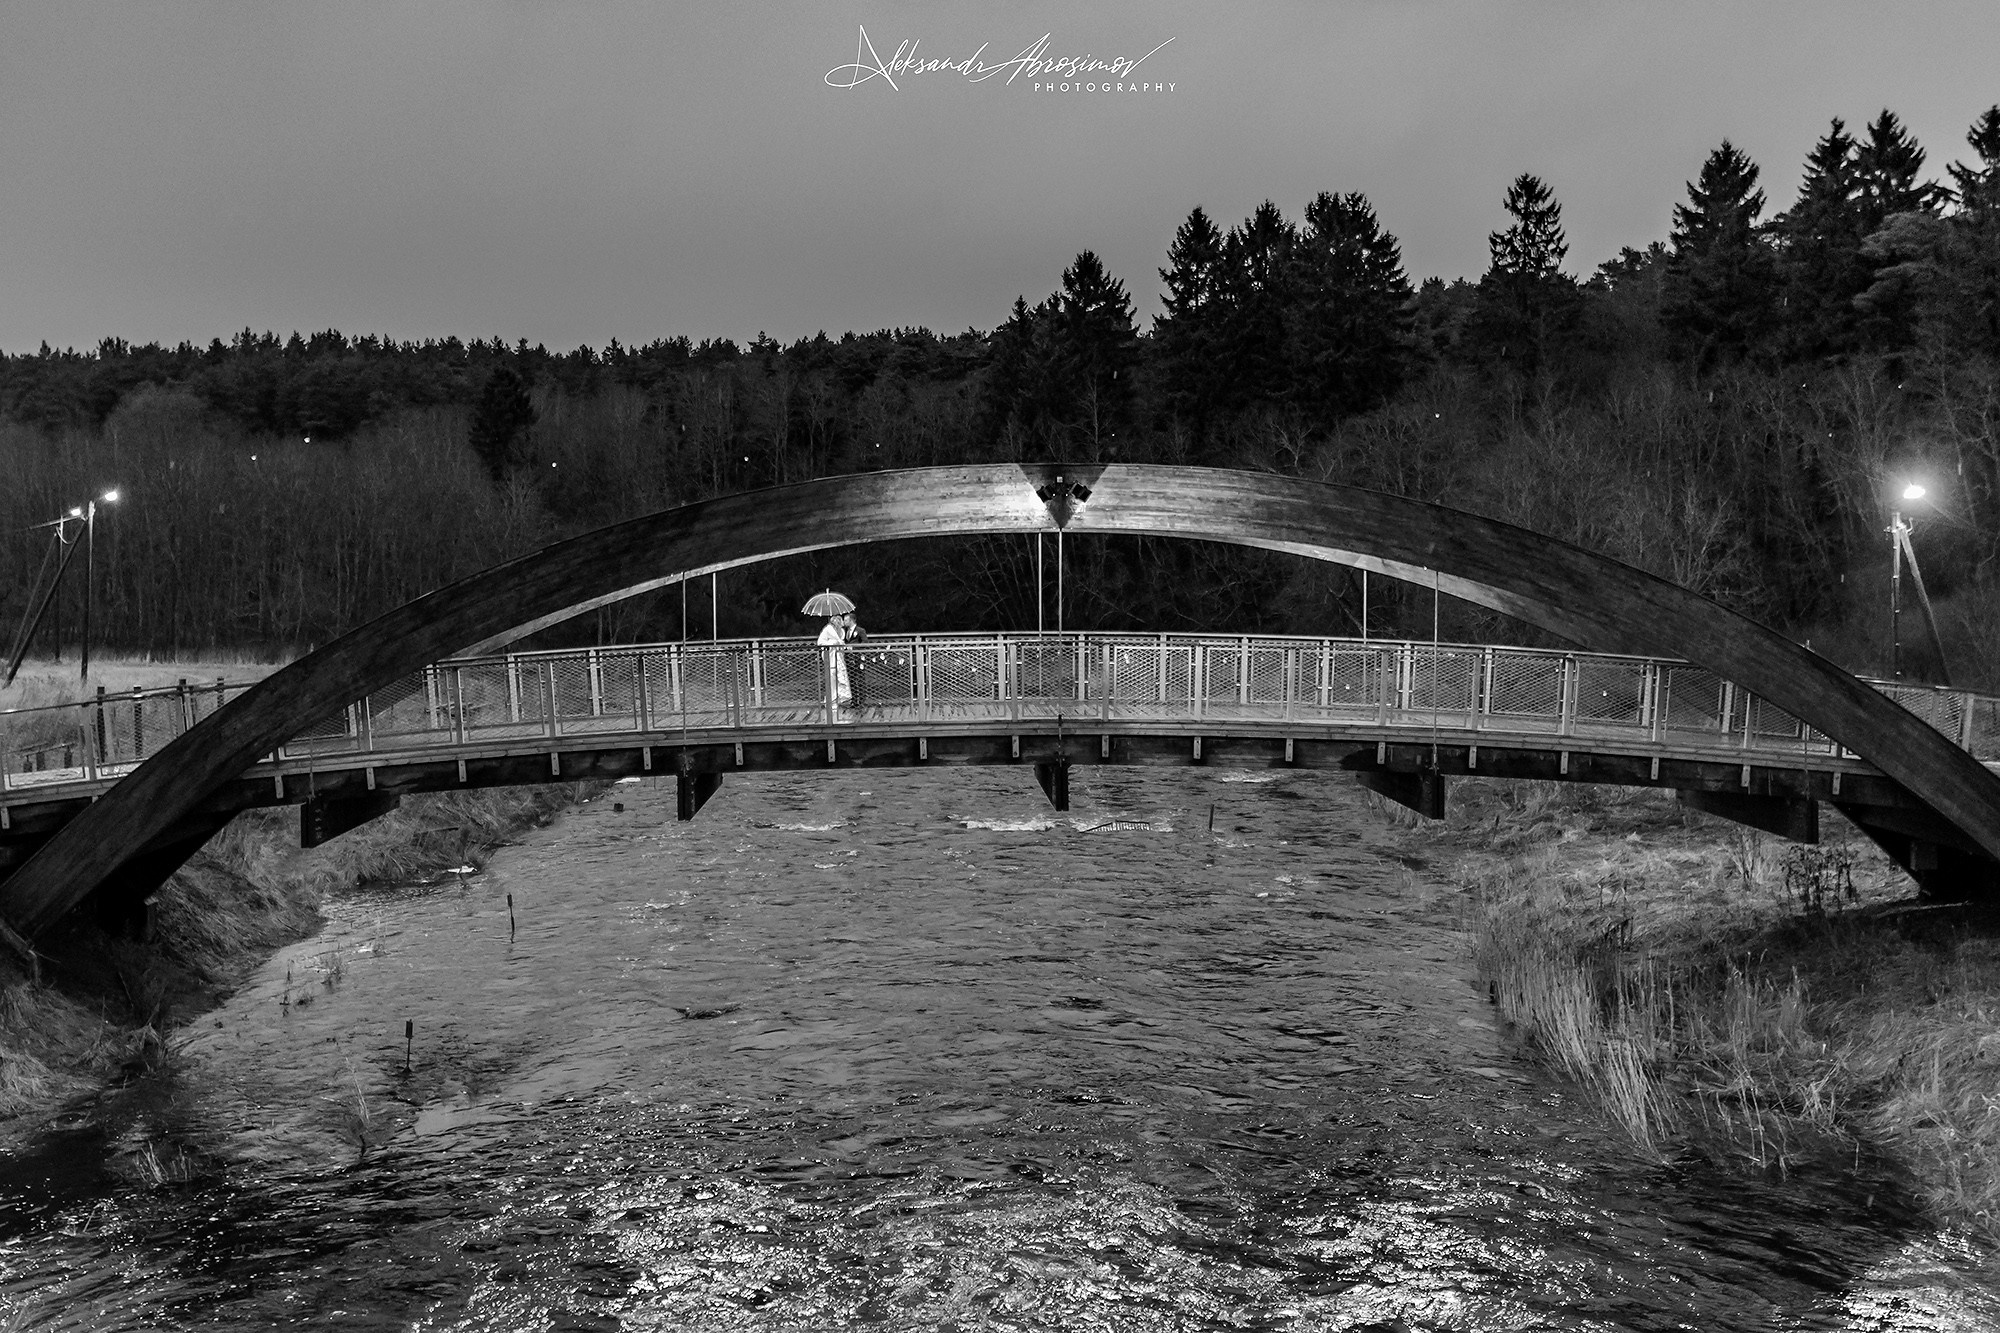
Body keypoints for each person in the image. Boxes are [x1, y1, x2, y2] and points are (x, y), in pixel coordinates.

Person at [818, 612, 852, 716]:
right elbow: (820, 642)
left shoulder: (841, 631)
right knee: (831, 677)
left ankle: (840, 698)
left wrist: (841, 645)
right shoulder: (828, 629)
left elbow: (841, 641)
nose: (840, 623)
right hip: (830, 656)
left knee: (840, 676)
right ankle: (830, 701)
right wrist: (832, 643)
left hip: (839, 656)